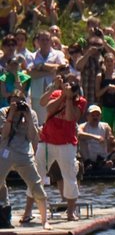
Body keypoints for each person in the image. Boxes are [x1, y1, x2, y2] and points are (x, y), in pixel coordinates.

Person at [33, 74, 85, 221]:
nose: (69, 87)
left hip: (66, 143)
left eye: (73, 86)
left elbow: (70, 117)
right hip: (47, 141)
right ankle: (29, 210)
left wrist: (69, 99)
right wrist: (61, 94)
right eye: (68, 84)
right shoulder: (56, 93)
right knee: (37, 175)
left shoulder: (80, 101)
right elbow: (47, 106)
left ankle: (70, 212)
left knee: (70, 177)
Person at [0, 90, 48, 230]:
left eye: (20, 100)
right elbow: (4, 134)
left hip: (24, 154)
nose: (18, 102)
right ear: (10, 100)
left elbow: (32, 136)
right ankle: (5, 211)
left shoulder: (31, 113)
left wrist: (27, 117)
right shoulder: (3, 112)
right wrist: (11, 115)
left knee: (36, 186)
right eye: (15, 99)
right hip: (6, 152)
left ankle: (45, 221)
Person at [78, 104, 115, 169]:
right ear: (87, 116)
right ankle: (87, 163)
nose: (95, 117)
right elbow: (78, 133)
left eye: (97, 115)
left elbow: (111, 138)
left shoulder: (105, 126)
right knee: (81, 140)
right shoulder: (83, 126)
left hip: (101, 156)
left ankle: (104, 162)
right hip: (88, 157)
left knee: (113, 145)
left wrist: (111, 140)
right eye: (93, 115)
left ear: (100, 116)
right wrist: (95, 137)